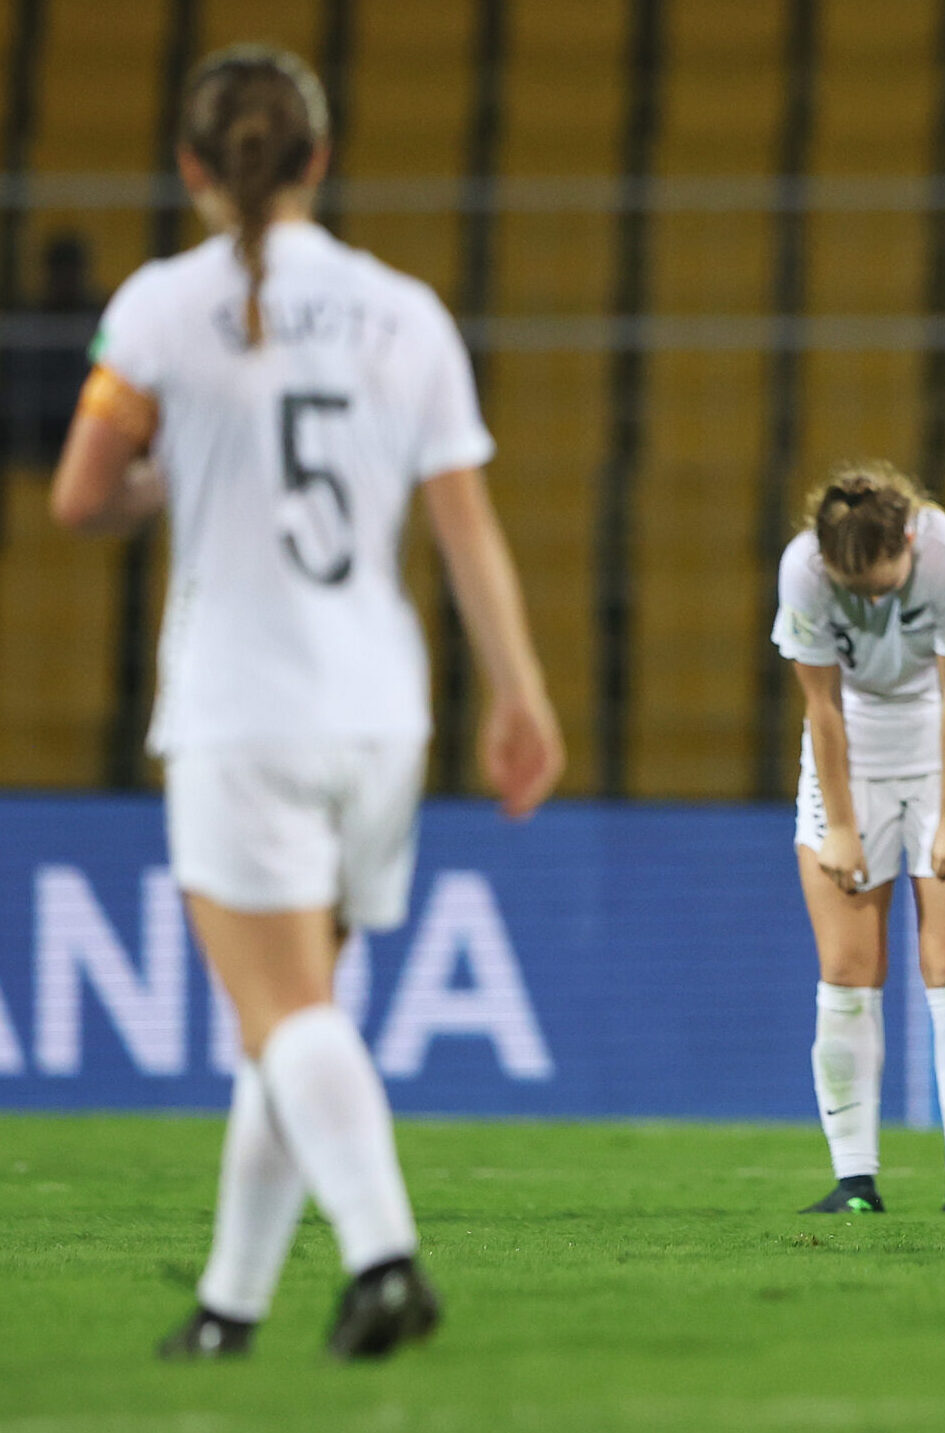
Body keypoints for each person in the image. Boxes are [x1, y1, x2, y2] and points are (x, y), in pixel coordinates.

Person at [48, 46, 563, 1362]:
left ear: (192, 171)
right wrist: (521, 692)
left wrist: (172, 480)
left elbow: (79, 497)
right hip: (382, 710)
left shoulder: (162, 309)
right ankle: (230, 1309)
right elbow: (467, 530)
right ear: (322, 160)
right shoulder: (409, 314)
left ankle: (385, 1258)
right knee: (287, 1017)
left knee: (284, 1016)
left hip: (242, 709)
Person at [773, 462, 945, 1217]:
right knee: (845, 969)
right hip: (853, 745)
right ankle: (855, 1185)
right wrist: (841, 827)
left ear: (908, 538)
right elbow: (822, 709)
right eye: (853, 587)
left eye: (880, 581)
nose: (868, 596)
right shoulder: (803, 570)